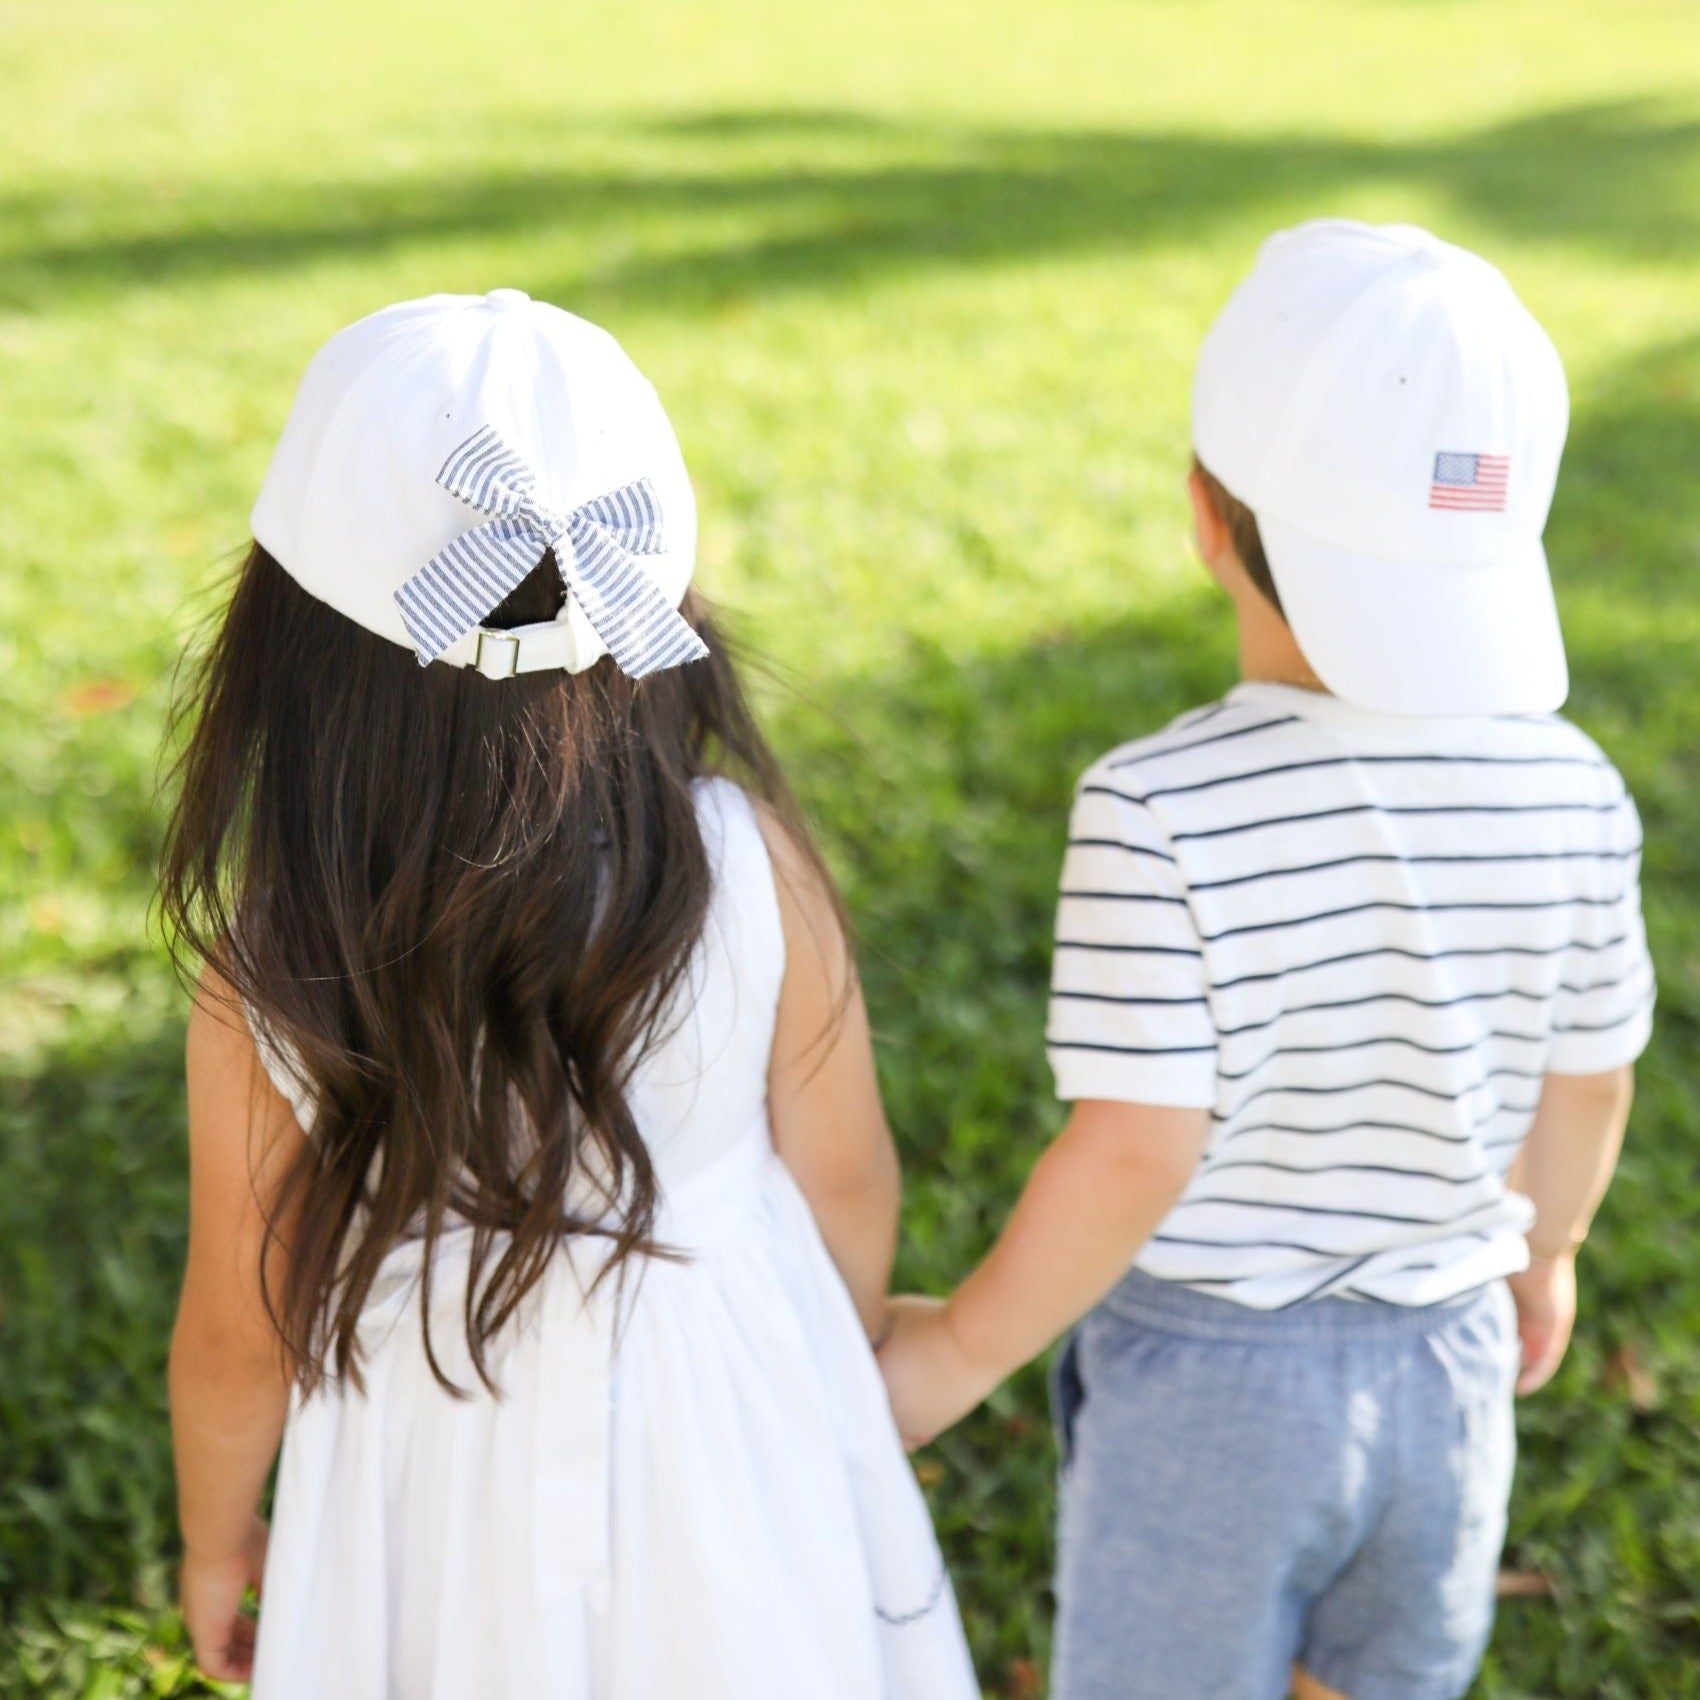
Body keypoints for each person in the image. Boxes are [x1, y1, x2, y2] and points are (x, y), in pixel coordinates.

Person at [159, 289, 979, 1699]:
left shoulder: (277, 964)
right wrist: (816, 1367)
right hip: (722, 1407)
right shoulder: (743, 860)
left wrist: (215, 1541)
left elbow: (242, 1328)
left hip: (431, 1442)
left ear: (288, 635)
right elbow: (847, 1183)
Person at [877, 221, 1655, 1700]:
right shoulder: (1575, 784)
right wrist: (1544, 1253)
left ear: (1204, 515)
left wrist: (963, 1349)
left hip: (1213, 1392)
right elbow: (1592, 1083)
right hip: (1452, 1363)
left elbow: (1138, 1149)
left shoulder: (1159, 806)